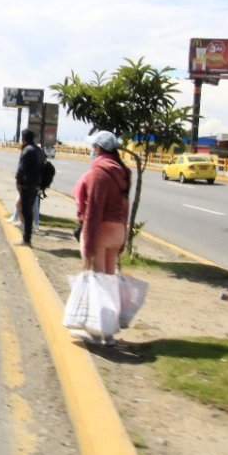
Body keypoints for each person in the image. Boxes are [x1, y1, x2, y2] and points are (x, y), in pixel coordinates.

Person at [72, 130, 132, 344]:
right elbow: (125, 207)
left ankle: (97, 332)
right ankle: (109, 331)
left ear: (98, 149)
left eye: (93, 148)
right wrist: (124, 238)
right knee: (108, 280)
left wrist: (87, 244)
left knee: (97, 281)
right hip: (117, 230)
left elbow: (93, 211)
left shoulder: (99, 172)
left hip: (102, 230)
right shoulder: (120, 171)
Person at [13, 130, 45, 246]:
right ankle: (27, 237)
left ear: (24, 138)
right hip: (36, 184)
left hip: (27, 185)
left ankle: (26, 239)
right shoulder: (38, 150)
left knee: (26, 211)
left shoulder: (27, 150)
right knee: (28, 211)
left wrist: (18, 182)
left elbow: (21, 168)